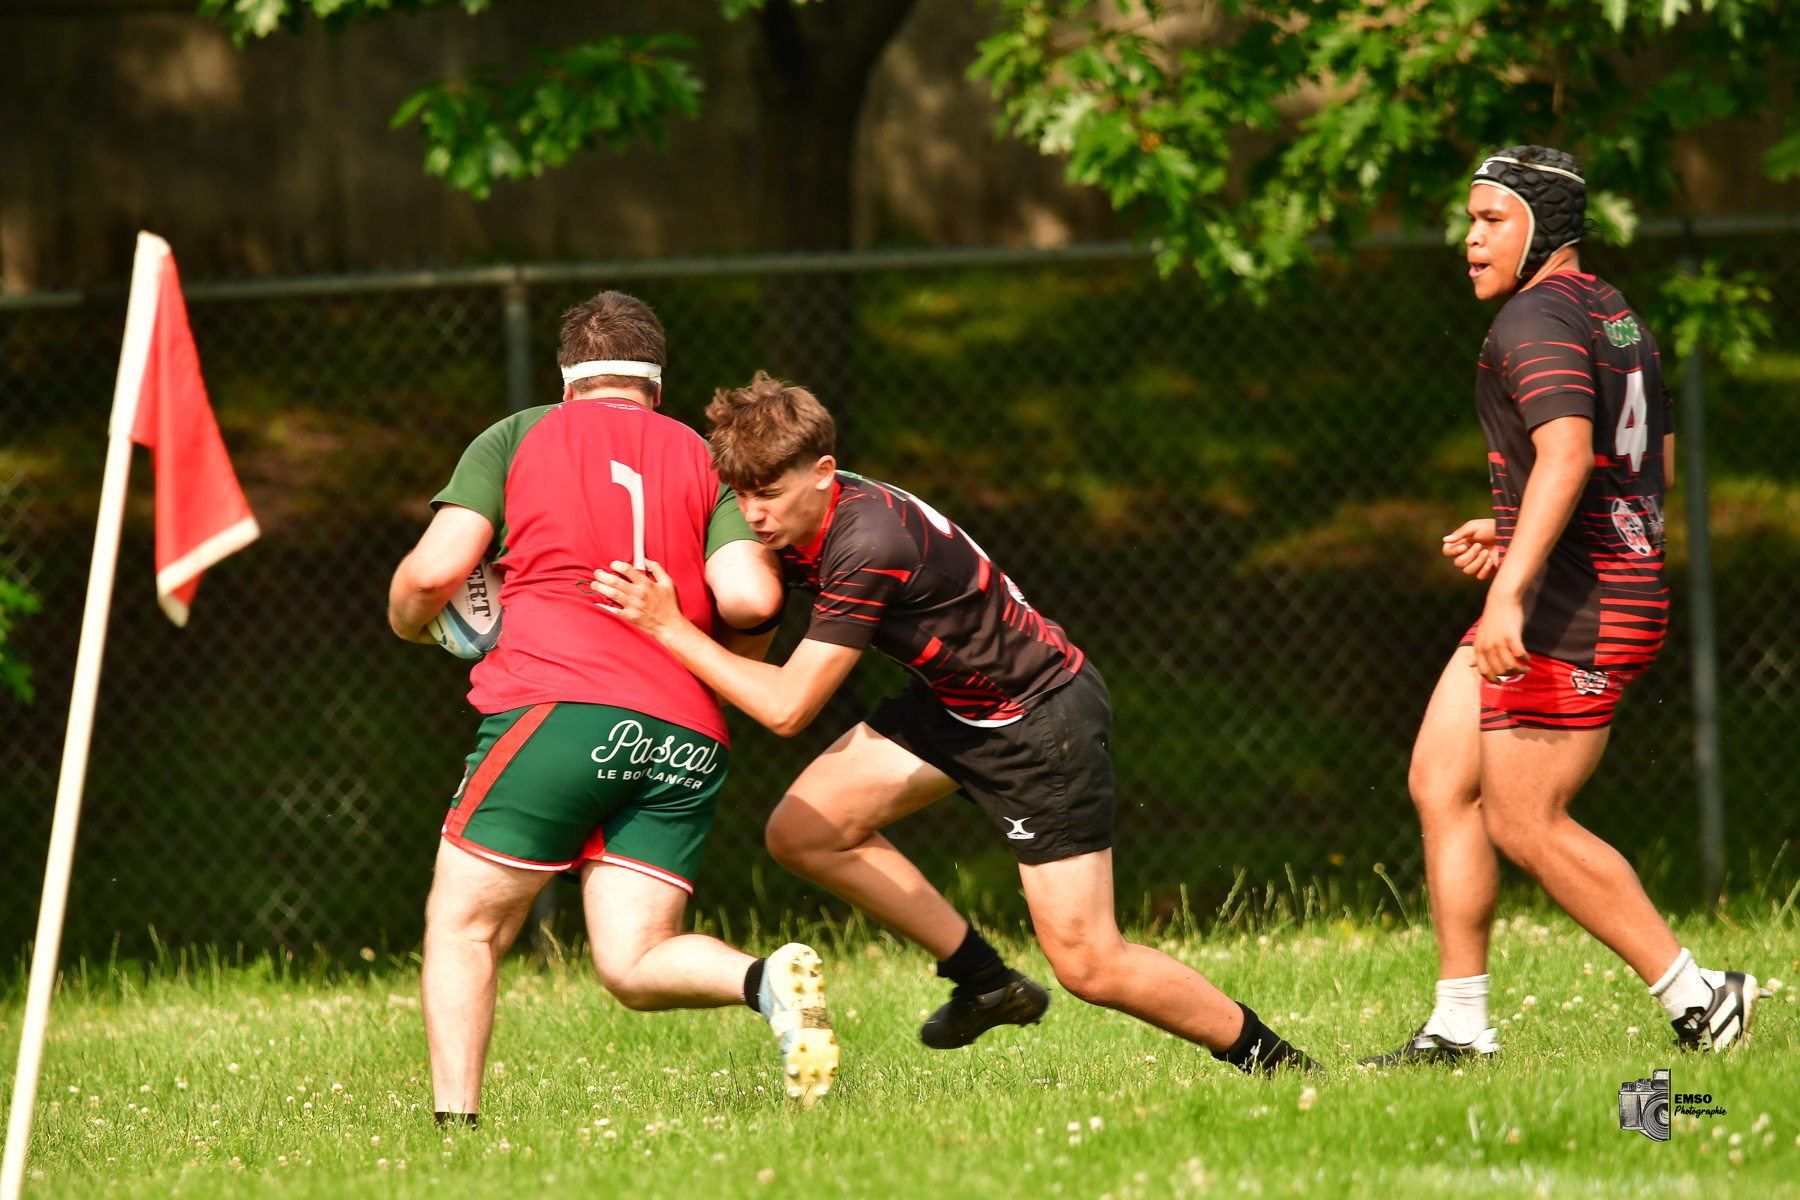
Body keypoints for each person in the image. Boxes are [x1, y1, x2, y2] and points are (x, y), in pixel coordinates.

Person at [590, 372, 1313, 1074]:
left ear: (824, 472)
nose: (754, 516)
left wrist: (669, 629)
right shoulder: (805, 516)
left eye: (770, 495)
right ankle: (984, 982)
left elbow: (788, 708)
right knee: (804, 832)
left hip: (1038, 720)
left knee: (1091, 965)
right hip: (952, 703)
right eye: (743, 495)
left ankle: (1283, 1066)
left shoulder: (868, 543)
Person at [387, 292, 840, 1123]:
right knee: (633, 961)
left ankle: (455, 1129)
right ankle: (765, 979)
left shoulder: (518, 433)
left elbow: (432, 573)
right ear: (656, 388)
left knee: (465, 927)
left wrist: (409, 621)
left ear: (567, 383)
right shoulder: (702, 455)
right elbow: (750, 597)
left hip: (559, 712)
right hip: (684, 732)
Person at [1362, 147, 1765, 1066]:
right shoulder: (1613, 310)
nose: (1469, 239)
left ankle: (1700, 995)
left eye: (1491, 220)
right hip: (1577, 582)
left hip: (1576, 606)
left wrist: (1508, 589)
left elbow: (1570, 456)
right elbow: (1651, 469)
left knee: (1525, 819)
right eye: (1469, 220)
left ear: (1541, 227)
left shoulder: (1531, 317)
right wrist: (1514, 532)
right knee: (1440, 781)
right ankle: (1460, 1024)